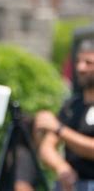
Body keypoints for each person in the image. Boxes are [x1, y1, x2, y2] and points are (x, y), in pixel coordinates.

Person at [34, 38, 94, 191]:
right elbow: (47, 147)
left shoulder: (61, 125)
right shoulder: (72, 105)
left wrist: (60, 129)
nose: (81, 68)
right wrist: (61, 167)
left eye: (88, 63)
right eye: (78, 62)